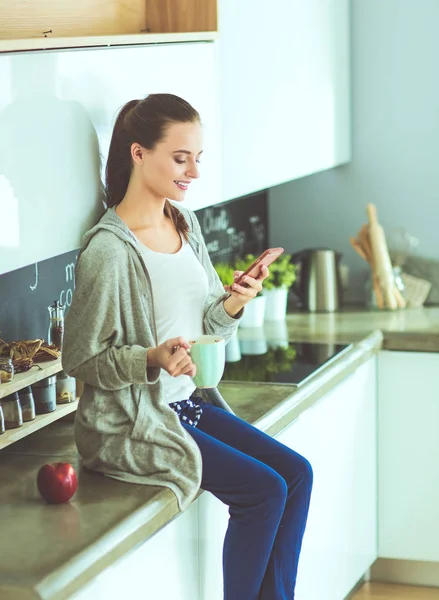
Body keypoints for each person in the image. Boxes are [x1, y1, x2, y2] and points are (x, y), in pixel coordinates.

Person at [62, 93, 313, 600]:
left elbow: (208, 328)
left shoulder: (184, 223)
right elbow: (80, 359)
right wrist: (150, 359)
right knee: (263, 492)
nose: (193, 172)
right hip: (134, 420)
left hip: (187, 404)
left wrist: (236, 302)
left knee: (296, 475)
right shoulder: (108, 251)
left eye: (198, 158)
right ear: (138, 154)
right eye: (181, 158)